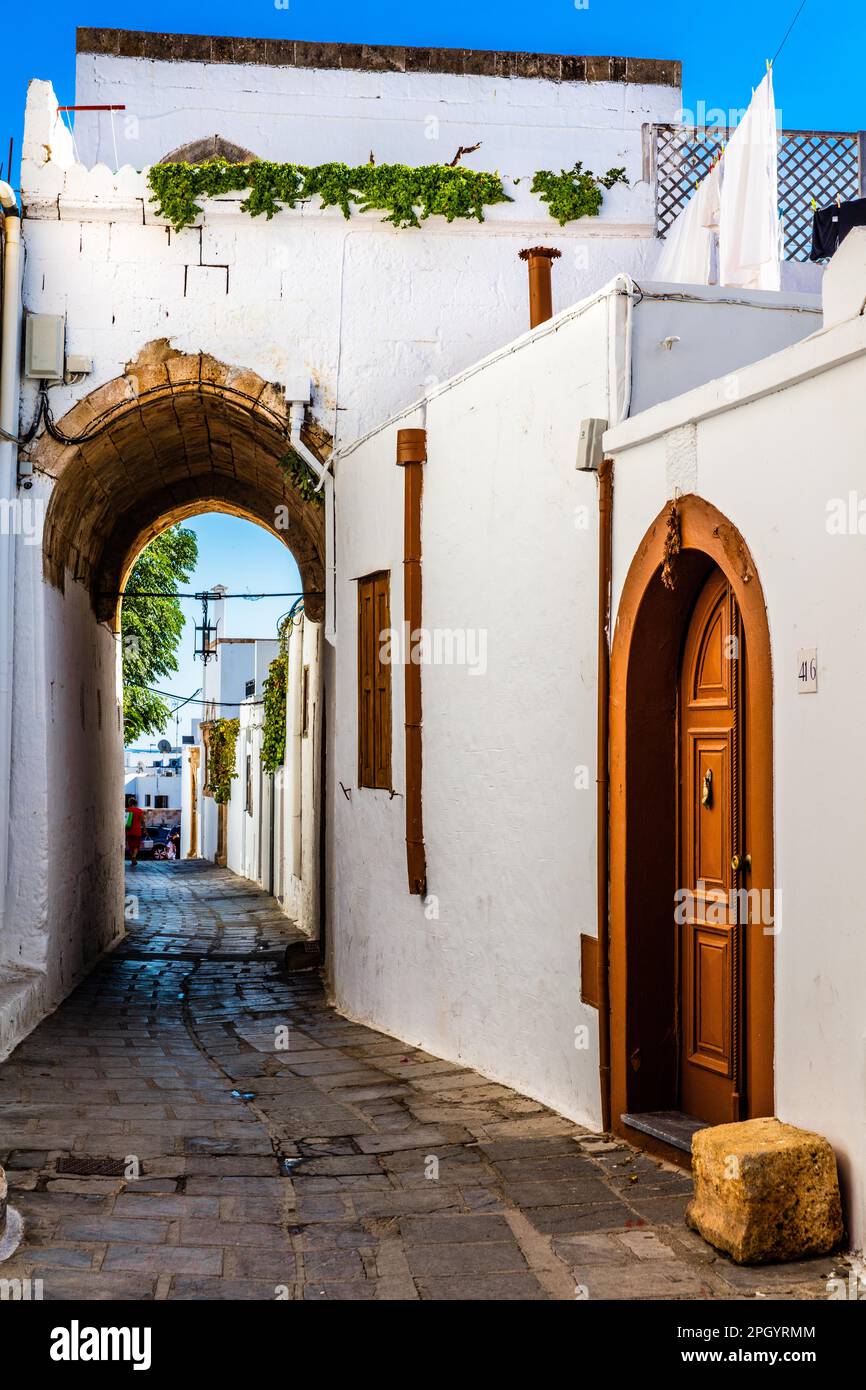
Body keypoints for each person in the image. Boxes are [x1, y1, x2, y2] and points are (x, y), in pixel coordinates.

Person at [125, 797, 145, 869]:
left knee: (130, 846)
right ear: (135, 803)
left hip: (129, 831)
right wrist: (145, 829)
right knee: (136, 846)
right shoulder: (139, 811)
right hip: (137, 831)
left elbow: (124, 820)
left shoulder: (127, 810)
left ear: (129, 803)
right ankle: (134, 856)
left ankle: (132, 860)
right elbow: (142, 821)